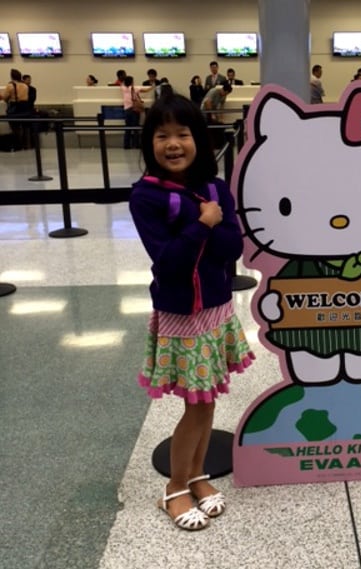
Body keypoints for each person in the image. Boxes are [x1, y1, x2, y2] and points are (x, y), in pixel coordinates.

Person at [128, 93, 254, 531]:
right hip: (182, 314)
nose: (173, 143)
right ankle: (174, 489)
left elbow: (233, 249)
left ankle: (197, 475)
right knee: (195, 407)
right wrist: (203, 223)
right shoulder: (146, 197)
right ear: (150, 144)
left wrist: (214, 222)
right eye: (162, 135)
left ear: (198, 138)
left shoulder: (216, 189)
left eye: (182, 133)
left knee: (206, 400)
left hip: (216, 308)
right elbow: (170, 263)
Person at [0, 68, 31, 150]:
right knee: (24, 127)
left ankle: (18, 145)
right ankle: (27, 145)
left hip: (15, 109)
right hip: (25, 109)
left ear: (12, 77)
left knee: (15, 127)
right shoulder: (25, 86)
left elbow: (4, 97)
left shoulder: (10, 86)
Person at [120, 75, 153, 149]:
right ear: (132, 82)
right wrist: (152, 87)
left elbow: (121, 83)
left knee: (127, 128)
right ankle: (136, 144)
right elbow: (145, 90)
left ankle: (126, 145)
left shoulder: (123, 88)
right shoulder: (134, 88)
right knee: (135, 128)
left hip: (126, 109)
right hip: (134, 109)